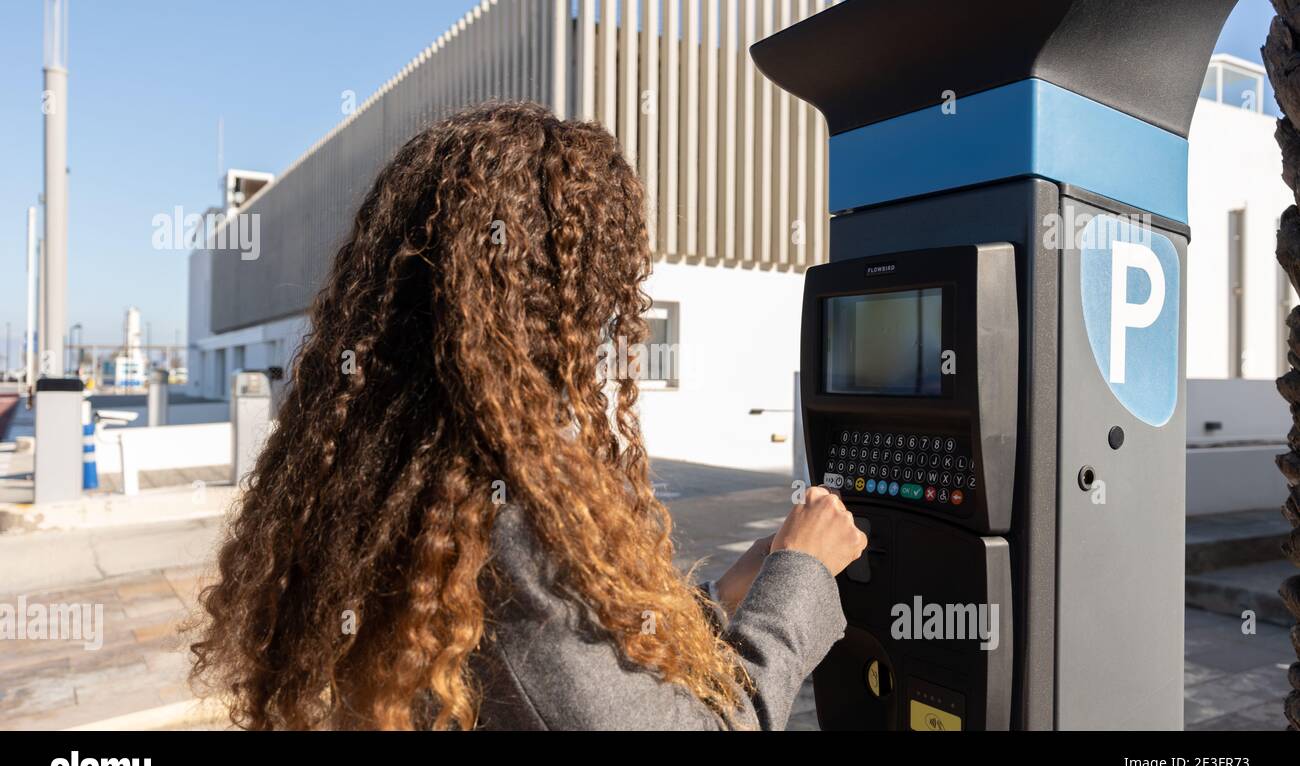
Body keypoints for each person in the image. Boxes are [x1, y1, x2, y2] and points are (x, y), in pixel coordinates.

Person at [189, 102, 867, 730]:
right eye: (604, 293)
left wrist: (722, 594)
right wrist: (799, 579)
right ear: (556, 307)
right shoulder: (507, 519)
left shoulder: (390, 480)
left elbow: (564, 679)